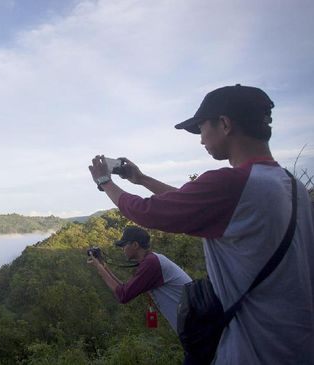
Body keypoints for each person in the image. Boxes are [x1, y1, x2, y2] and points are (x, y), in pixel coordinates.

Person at [88, 84, 314, 364]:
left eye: (201, 129)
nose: (201, 140)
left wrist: (104, 182)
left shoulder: (230, 184)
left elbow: (146, 211)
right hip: (299, 343)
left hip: (253, 348)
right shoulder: (292, 187)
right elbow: (193, 202)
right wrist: (142, 179)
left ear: (225, 124)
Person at [87, 226, 191, 332]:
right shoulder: (152, 259)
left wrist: (98, 267)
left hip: (194, 324)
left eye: (124, 245)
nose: (123, 249)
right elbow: (125, 287)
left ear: (135, 245)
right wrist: (103, 266)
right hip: (193, 321)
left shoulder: (151, 263)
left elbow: (123, 295)